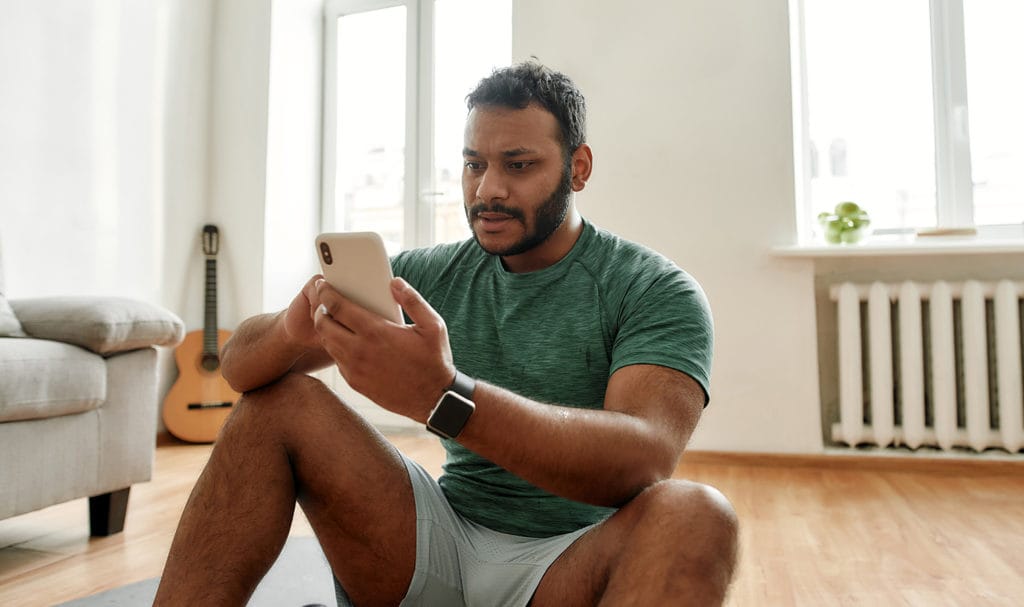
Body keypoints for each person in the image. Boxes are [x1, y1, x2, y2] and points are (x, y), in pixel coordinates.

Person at [154, 61, 738, 607]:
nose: (488, 190)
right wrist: (290, 329)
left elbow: (646, 457)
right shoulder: (427, 276)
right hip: (434, 543)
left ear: (578, 168)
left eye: (519, 164)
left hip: (570, 563)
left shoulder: (652, 288)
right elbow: (237, 368)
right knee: (277, 404)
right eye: (474, 164)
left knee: (697, 512)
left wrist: (447, 397)